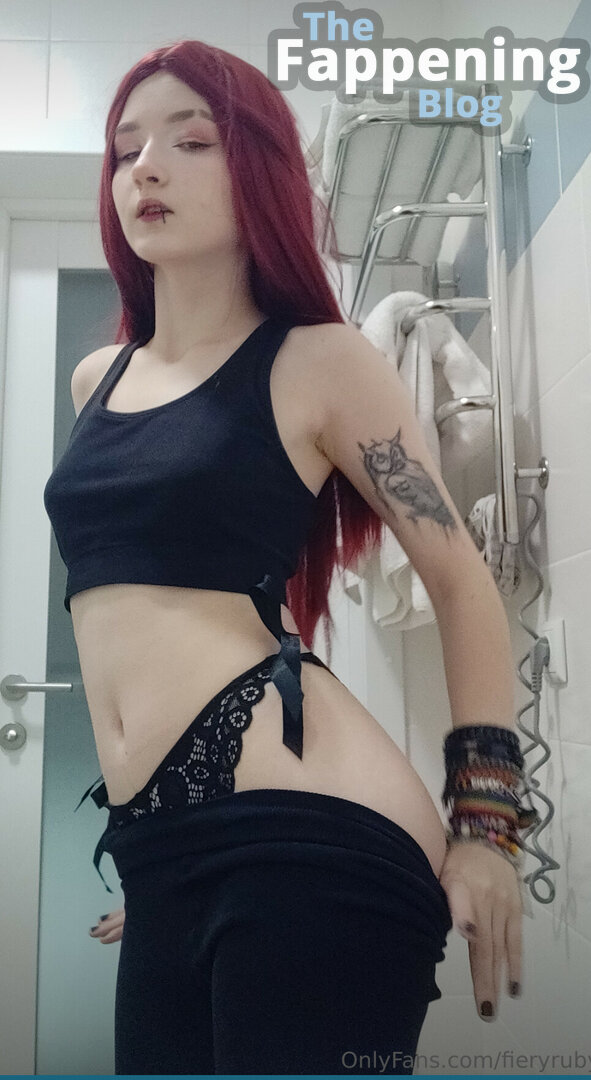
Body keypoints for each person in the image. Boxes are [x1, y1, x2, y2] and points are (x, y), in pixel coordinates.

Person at [43, 39, 533, 1076]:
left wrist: (487, 829)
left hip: (310, 847)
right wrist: (173, 856)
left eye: (192, 141)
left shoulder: (319, 361)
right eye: (126, 150)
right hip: (165, 854)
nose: (146, 168)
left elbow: (460, 581)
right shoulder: (98, 379)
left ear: (258, 169)